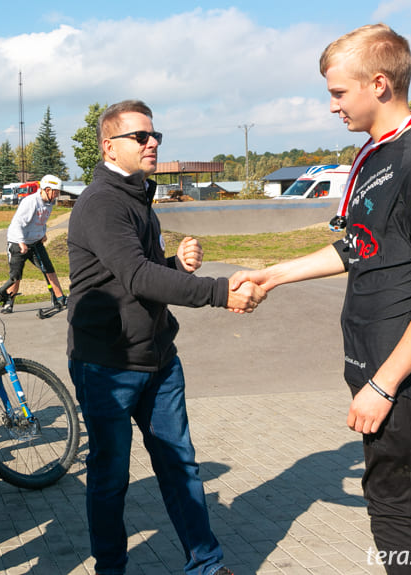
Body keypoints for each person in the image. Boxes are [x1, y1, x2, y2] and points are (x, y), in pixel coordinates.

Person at [231, 24, 411, 574]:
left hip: (406, 375)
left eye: (338, 93)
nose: (333, 106)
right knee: (409, 505)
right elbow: (359, 246)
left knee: (395, 511)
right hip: (379, 365)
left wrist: (383, 385)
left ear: (380, 83)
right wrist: (274, 274)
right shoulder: (380, 154)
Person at [66, 99, 266, 575]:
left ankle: (206, 563)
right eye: (141, 136)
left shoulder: (138, 198)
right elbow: (136, 277)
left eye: (155, 135)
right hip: (107, 366)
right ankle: (110, 568)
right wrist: (219, 292)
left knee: (180, 467)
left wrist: (175, 266)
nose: (152, 142)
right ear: (110, 146)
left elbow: (137, 275)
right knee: (111, 479)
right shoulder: (101, 203)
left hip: (158, 359)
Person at [0, 174, 66, 314]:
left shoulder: (48, 204)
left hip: (35, 243)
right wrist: (21, 243)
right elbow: (17, 224)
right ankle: (8, 302)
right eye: (56, 192)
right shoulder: (31, 202)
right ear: (47, 189)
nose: (57, 195)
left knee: (49, 270)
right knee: (16, 275)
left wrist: (42, 233)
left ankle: (59, 298)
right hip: (17, 242)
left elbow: (40, 221)